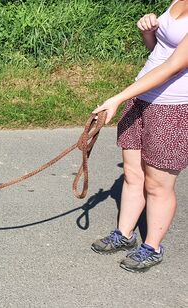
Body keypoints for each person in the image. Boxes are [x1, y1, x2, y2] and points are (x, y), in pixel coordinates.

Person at [90, 0, 188, 272]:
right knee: (133, 175)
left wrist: (118, 98)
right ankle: (124, 234)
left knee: (158, 185)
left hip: (174, 109)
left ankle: (152, 247)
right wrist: (148, 31)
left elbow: (173, 67)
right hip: (140, 98)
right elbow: (159, 52)